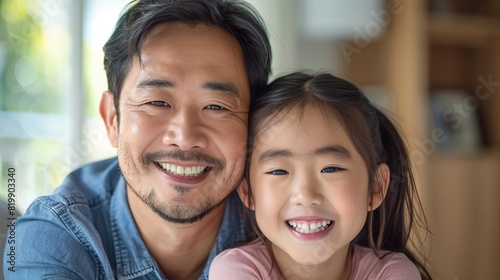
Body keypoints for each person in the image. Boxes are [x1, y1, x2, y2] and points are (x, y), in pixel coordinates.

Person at [6, 0, 271, 279]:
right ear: (111, 119)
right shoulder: (55, 236)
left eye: (216, 106)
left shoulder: (288, 222)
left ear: (254, 126)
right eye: (157, 102)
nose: (184, 137)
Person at [209, 71, 432, 280]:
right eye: (279, 171)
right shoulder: (236, 270)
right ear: (248, 192)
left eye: (330, 169)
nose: (305, 195)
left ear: (375, 187)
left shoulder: (393, 272)